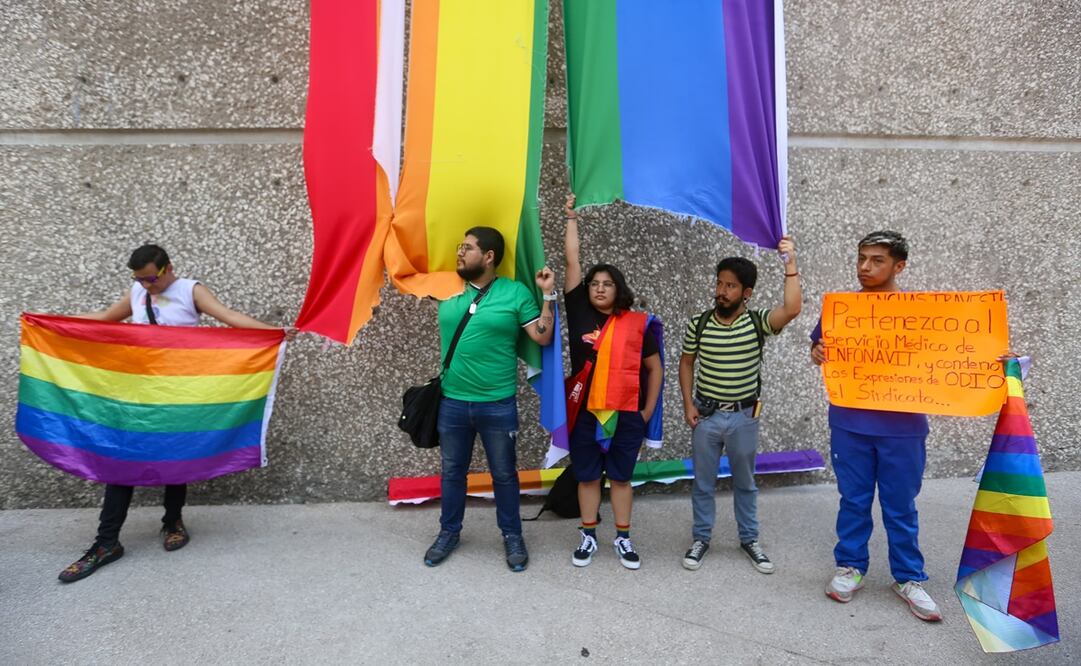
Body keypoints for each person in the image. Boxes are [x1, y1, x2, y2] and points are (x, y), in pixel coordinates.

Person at [58, 244, 291, 583]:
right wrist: (55, 321)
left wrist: (273, 332)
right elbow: (106, 317)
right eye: (139, 279)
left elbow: (229, 317)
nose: (145, 285)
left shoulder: (190, 290)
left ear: (167, 268)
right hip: (139, 394)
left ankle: (172, 522)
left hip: (180, 393)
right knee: (121, 461)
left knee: (176, 457)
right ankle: (106, 542)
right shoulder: (138, 292)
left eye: (151, 278)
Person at [810, 230, 941, 621]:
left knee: (900, 506)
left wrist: (995, 358)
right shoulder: (842, 310)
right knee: (853, 500)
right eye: (861, 258)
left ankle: (909, 577)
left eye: (877, 260)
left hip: (904, 428)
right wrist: (817, 351)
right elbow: (819, 346)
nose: (865, 267)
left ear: (899, 266)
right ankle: (850, 567)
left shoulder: (923, 312)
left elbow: (957, 351)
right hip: (850, 424)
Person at [423, 227, 555, 572]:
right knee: (452, 472)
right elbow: (404, 272)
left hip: (497, 403)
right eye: (459, 246)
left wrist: (548, 295)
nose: (459, 252)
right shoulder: (445, 287)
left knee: (504, 474)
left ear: (489, 256)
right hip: (451, 402)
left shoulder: (515, 292)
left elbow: (542, 337)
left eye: (467, 247)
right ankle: (448, 533)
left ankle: (512, 535)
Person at [679, 239, 801, 574]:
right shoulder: (699, 323)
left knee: (745, 483)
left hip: (744, 417)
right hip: (706, 416)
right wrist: (688, 403)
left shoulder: (758, 322)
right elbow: (687, 362)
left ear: (746, 292)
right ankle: (701, 538)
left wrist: (790, 264)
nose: (721, 291)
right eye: (719, 283)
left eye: (730, 286)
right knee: (703, 482)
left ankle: (749, 539)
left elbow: (792, 309)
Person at [563, 195, 663, 570]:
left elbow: (655, 369)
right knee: (588, 477)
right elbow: (572, 261)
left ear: (618, 289)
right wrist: (571, 217)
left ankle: (622, 537)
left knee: (621, 479)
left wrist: (647, 410)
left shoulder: (636, 324)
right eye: (594, 283)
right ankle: (588, 534)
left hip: (626, 414)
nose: (600, 288)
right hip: (586, 413)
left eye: (607, 284)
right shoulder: (578, 312)